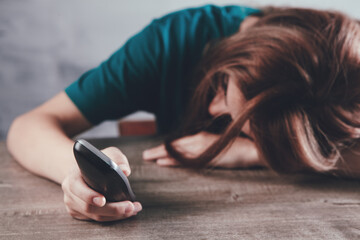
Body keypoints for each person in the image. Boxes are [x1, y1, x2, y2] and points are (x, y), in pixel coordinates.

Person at [6, 4, 360, 222]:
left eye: (248, 127)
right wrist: (72, 174)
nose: (212, 108)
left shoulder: (347, 78)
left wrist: (261, 153)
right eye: (222, 86)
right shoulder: (171, 42)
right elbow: (30, 125)